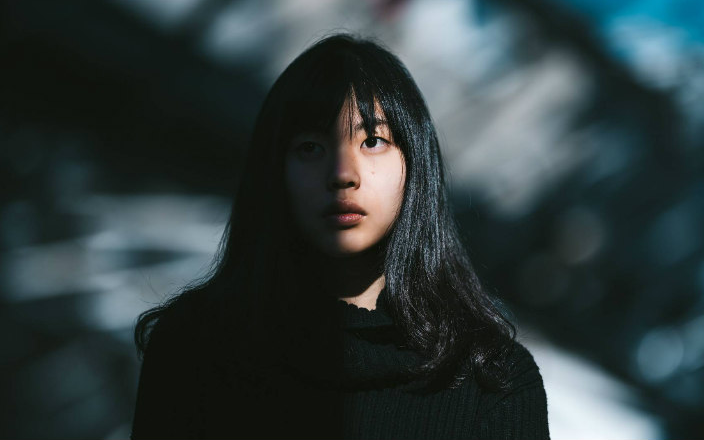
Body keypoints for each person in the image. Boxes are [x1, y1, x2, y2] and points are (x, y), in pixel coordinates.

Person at [131, 33, 550, 439]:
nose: (343, 175)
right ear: (272, 172)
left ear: (417, 166)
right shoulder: (195, 348)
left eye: (373, 141)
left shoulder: (494, 381)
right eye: (311, 147)